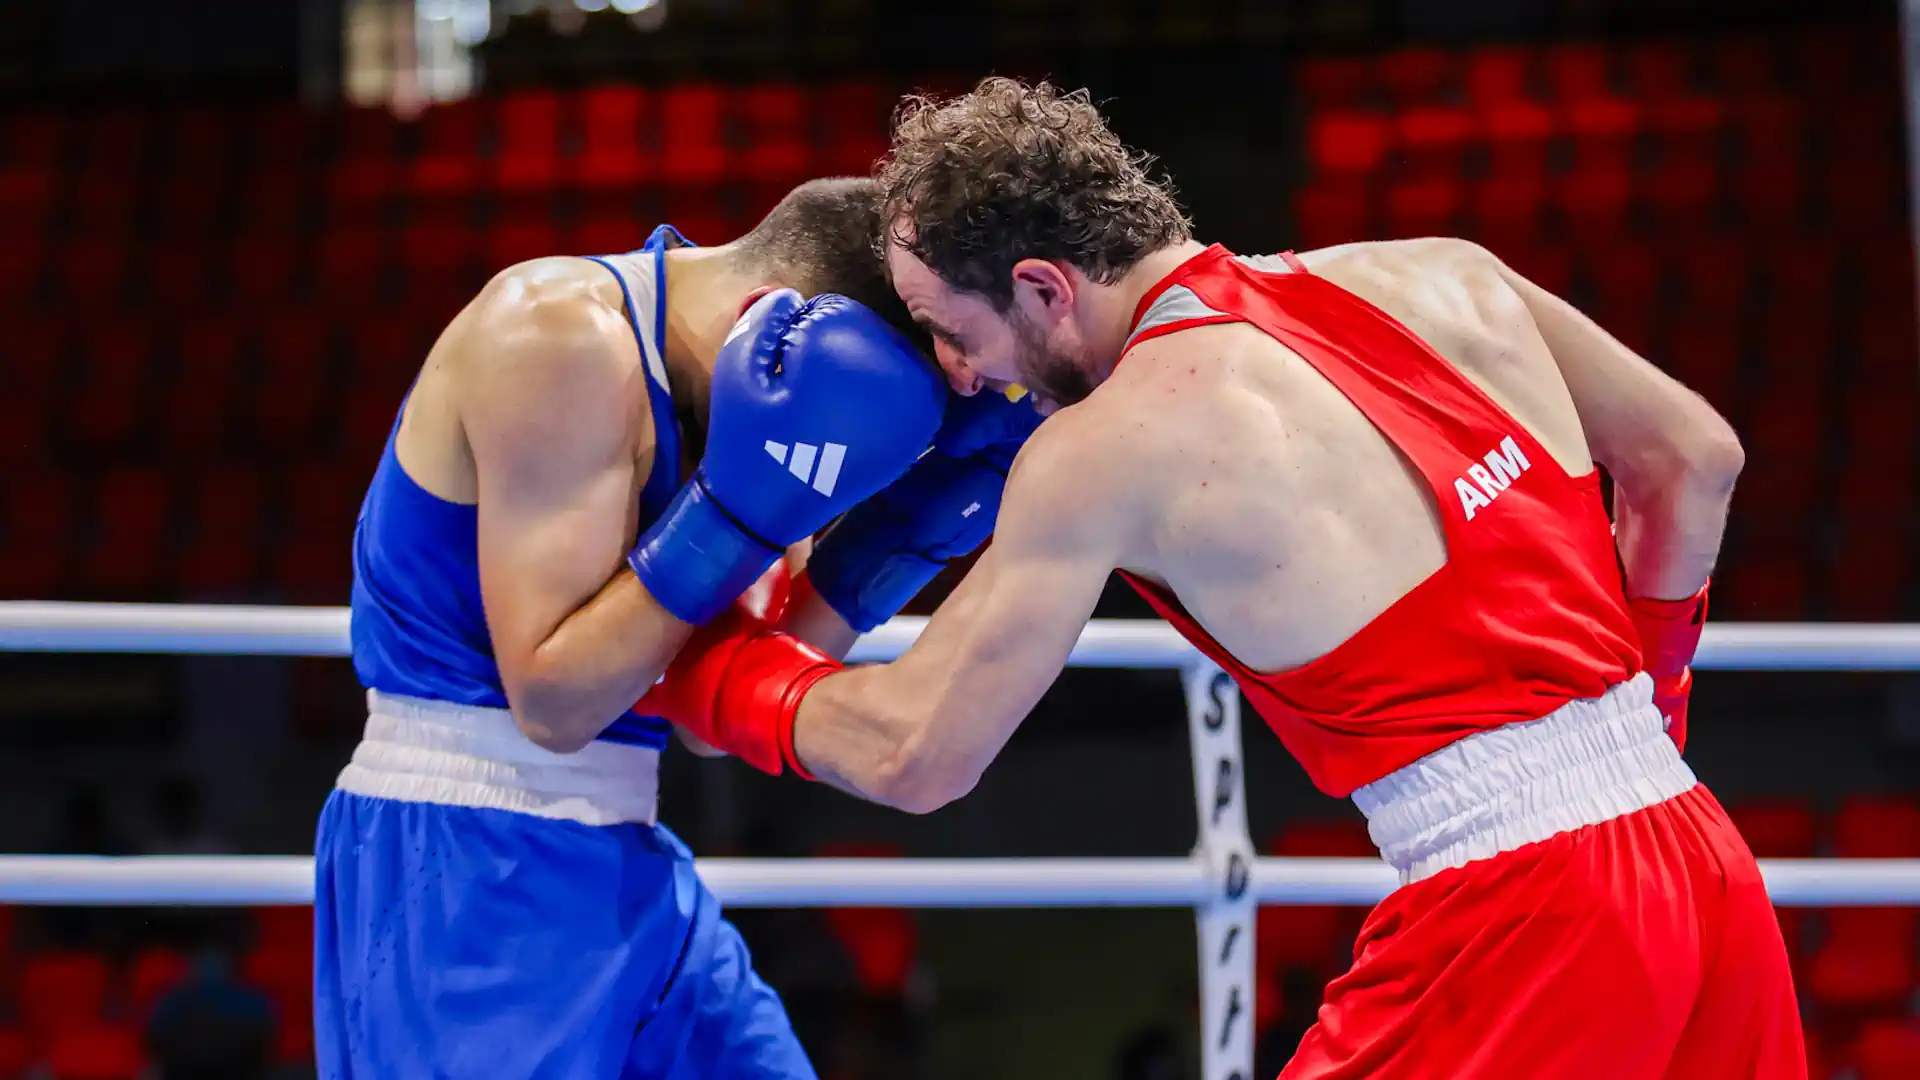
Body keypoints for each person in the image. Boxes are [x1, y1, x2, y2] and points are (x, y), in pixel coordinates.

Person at [638, 79, 1806, 1079]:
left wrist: (702, 671)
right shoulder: (1446, 272)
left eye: (953, 330)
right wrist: (1643, 711)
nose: (959, 374)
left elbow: (916, 750)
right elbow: (1693, 458)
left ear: (1044, 288)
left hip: (1522, 915)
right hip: (1698, 859)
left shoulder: (1102, 446)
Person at [313, 177, 955, 1079]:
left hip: (628, 852)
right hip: (466, 863)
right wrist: (736, 514)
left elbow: (710, 722)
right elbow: (556, 705)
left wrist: (893, 545)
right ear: (781, 322)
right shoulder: (559, 339)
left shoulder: (753, 402)